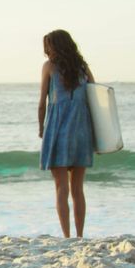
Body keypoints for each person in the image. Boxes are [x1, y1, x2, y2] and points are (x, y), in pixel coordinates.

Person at [38, 29, 95, 238]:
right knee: (78, 189)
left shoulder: (49, 67)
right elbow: (95, 98)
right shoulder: (83, 68)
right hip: (81, 130)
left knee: (61, 188)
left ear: (53, 47)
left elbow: (42, 102)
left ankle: (67, 236)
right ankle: (80, 235)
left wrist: (41, 128)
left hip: (59, 129)